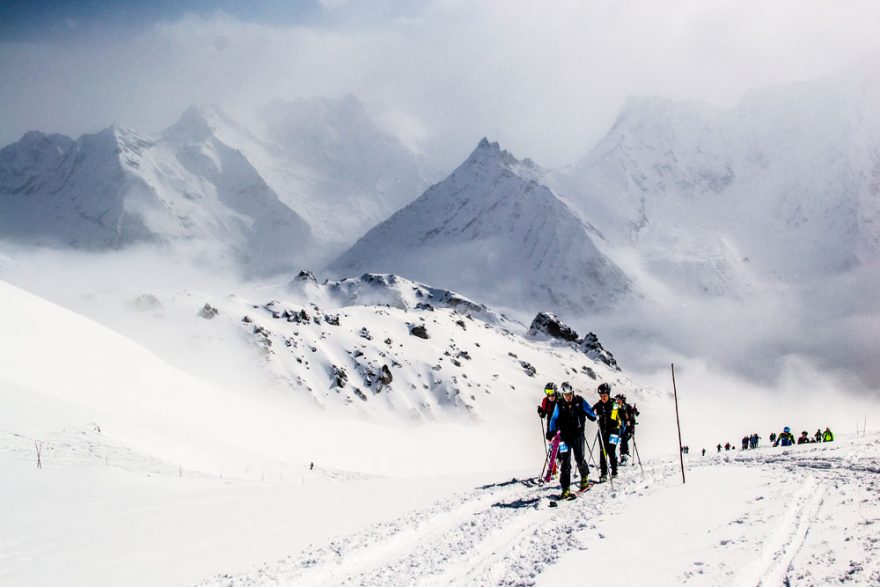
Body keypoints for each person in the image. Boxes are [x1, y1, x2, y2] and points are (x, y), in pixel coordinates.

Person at [547, 381, 597, 498]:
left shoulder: (580, 401)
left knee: (580, 458)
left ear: (573, 393)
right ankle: (565, 489)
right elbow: (554, 419)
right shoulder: (559, 404)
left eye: (570, 394)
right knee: (565, 463)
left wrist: (593, 416)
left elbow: (590, 412)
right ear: (563, 395)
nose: (568, 397)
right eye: (566, 395)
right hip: (564, 436)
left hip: (578, 434)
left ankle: (584, 478)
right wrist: (551, 432)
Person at [592, 382, 620, 481]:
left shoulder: (614, 404)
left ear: (608, 394)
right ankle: (603, 474)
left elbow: (613, 418)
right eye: (601, 396)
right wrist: (594, 415)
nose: (603, 398)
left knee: (611, 450)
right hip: (602, 431)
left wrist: (602, 416)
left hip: (614, 431)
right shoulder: (598, 405)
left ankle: (614, 472)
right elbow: (590, 412)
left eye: (605, 395)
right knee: (602, 451)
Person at [615, 394, 634, 464]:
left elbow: (631, 418)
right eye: (617, 399)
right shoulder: (615, 406)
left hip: (625, 428)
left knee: (623, 441)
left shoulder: (627, 407)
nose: (617, 401)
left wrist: (631, 429)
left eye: (619, 399)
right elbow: (612, 416)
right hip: (616, 427)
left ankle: (624, 458)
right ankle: (614, 459)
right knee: (612, 443)